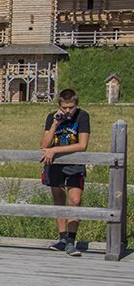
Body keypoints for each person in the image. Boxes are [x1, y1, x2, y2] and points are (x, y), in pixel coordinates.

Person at [41, 88, 90, 257]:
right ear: (59, 106)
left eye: (71, 107)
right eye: (65, 107)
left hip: (74, 163)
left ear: (76, 105)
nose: (68, 111)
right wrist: (55, 123)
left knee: (75, 200)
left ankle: (71, 239)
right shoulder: (52, 117)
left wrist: (56, 150)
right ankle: (62, 238)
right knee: (59, 199)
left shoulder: (82, 116)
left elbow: (82, 145)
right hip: (55, 165)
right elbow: (44, 144)